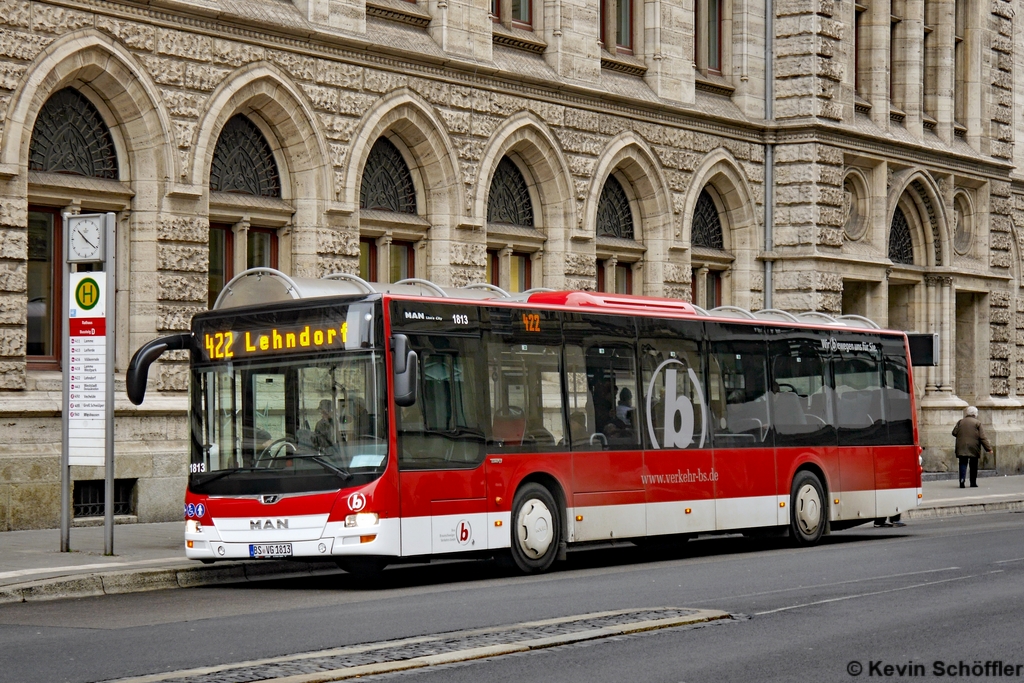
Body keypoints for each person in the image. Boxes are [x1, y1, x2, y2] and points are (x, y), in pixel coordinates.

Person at [952, 406, 992, 489]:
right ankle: (973, 482)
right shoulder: (977, 423)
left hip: (962, 445)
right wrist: (988, 448)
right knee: (973, 464)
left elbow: (954, 432)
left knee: (962, 462)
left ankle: (962, 480)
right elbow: (982, 437)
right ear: (975, 414)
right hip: (974, 446)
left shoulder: (960, 422)